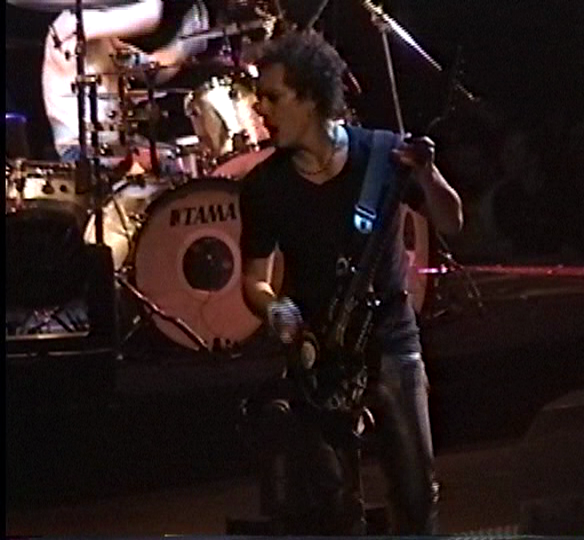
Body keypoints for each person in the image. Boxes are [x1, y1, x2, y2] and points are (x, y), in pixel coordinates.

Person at [239, 30, 463, 534]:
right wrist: (275, 310)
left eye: (273, 97)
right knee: (334, 509)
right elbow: (255, 280)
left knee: (415, 492)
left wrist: (429, 175)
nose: (261, 109)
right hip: (319, 355)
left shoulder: (383, 155)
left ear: (311, 97)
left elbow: (452, 223)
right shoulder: (263, 187)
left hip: (391, 341)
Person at [41, 0, 210, 169]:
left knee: (185, 156)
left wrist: (188, 43)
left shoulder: (103, 38)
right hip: (83, 152)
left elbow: (153, 70)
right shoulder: (69, 24)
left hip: (116, 144)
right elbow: (150, 15)